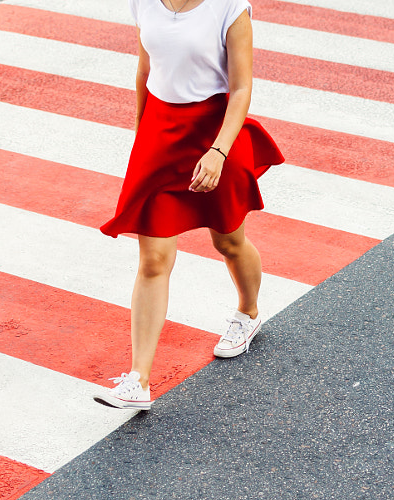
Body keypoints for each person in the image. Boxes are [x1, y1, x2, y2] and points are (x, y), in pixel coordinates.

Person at [94, 0, 284, 410]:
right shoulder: (143, 2)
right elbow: (146, 69)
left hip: (215, 131)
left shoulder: (230, 8)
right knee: (152, 260)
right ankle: (138, 380)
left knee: (229, 242)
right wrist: (141, 135)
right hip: (161, 135)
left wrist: (218, 151)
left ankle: (248, 314)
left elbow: (242, 87)